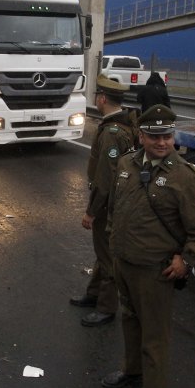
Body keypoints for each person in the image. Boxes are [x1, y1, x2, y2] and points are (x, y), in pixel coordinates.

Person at [102, 105, 195, 388]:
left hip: (155, 271)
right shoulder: (127, 164)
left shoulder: (187, 177)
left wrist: (187, 261)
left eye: (167, 135)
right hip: (124, 261)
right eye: (154, 136)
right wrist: (111, 238)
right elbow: (115, 207)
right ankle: (132, 372)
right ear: (141, 136)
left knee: (154, 337)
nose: (162, 142)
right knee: (130, 321)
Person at [70, 75, 136, 327]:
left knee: (107, 256)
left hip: (110, 205)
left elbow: (105, 179)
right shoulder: (121, 125)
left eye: (97, 96)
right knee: (102, 251)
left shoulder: (111, 132)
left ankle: (106, 307)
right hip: (115, 201)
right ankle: (94, 293)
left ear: (103, 99)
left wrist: (91, 211)